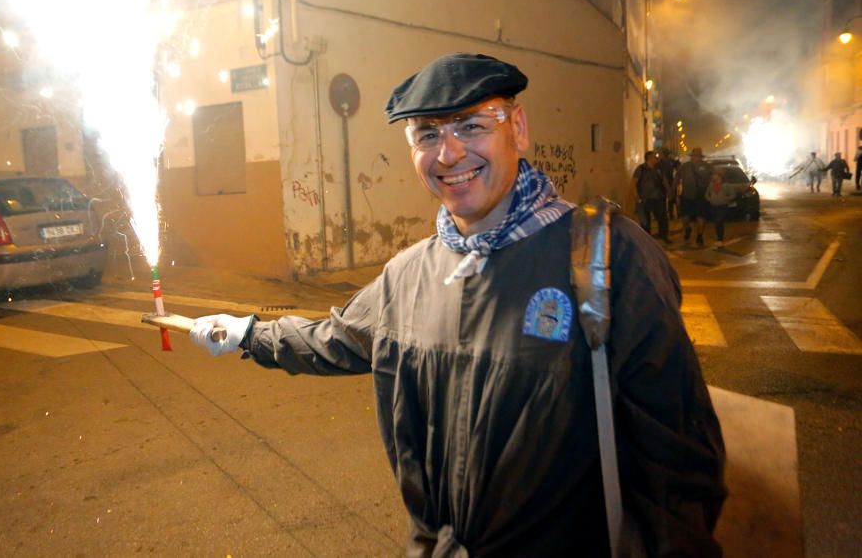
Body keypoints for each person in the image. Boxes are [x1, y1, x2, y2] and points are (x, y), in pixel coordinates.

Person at [184, 53, 726, 556]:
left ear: (518, 128)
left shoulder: (608, 258)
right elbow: (335, 340)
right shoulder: (408, 276)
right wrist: (247, 333)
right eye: (428, 134)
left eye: (472, 126)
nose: (449, 154)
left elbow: (680, 468)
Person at [674, 147, 712, 247]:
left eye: (697, 156)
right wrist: (674, 191)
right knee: (685, 217)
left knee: (701, 216)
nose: (695, 157)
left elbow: (714, 178)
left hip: (701, 195)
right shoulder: (685, 166)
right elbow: (677, 177)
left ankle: (699, 235)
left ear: (700, 157)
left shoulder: (707, 167)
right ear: (691, 156)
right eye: (694, 155)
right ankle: (687, 229)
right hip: (687, 195)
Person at [631, 150, 671, 242]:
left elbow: (664, 180)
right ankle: (647, 239)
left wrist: (669, 191)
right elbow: (634, 183)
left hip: (658, 197)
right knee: (645, 220)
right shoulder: (640, 169)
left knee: (662, 218)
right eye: (654, 157)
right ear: (649, 158)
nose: (656, 159)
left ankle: (664, 235)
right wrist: (636, 196)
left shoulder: (659, 169)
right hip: (645, 198)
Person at [705, 168, 737, 247]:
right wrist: (710, 199)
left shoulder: (726, 185)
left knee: (719, 221)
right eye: (713, 175)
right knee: (717, 222)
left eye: (715, 175)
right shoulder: (711, 185)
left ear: (720, 176)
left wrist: (725, 198)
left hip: (722, 206)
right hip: (713, 206)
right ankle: (719, 238)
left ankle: (720, 239)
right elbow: (706, 194)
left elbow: (733, 195)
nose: (713, 177)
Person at [657, 149, 680, 219]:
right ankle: (674, 214)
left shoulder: (660, 162)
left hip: (663, 182)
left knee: (665, 199)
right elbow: (678, 170)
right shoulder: (671, 161)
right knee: (673, 199)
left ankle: (669, 215)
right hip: (669, 181)